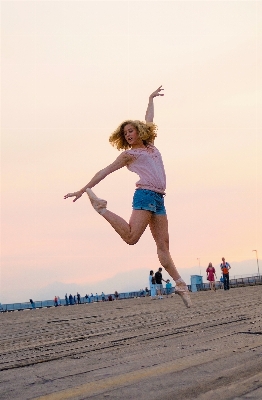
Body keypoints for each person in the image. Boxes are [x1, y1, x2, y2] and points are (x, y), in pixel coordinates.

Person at [64, 86, 191, 308]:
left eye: (131, 131)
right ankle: (101, 208)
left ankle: (180, 283)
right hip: (144, 196)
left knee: (163, 246)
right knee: (131, 238)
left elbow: (149, 118)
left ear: (139, 131)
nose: (129, 135)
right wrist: (83, 188)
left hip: (159, 199)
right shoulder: (128, 155)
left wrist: (150, 99)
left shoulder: (150, 147)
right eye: (125, 133)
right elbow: (105, 171)